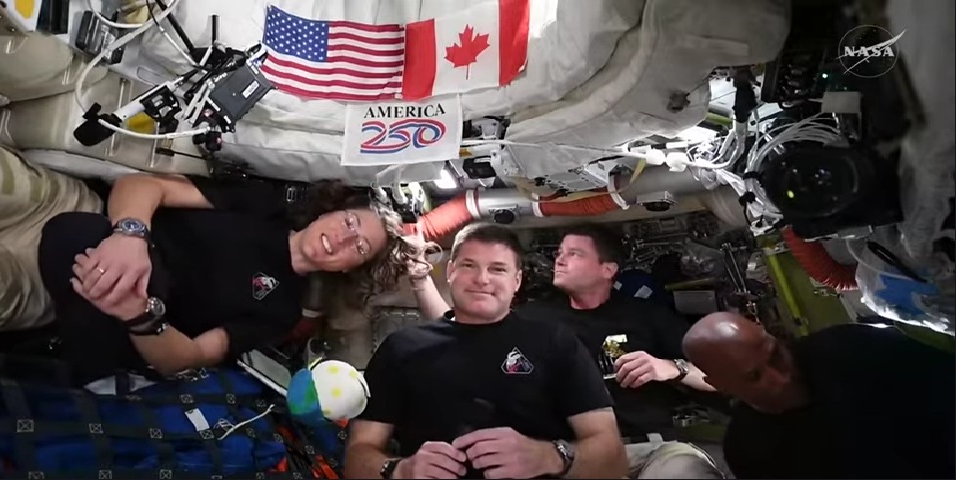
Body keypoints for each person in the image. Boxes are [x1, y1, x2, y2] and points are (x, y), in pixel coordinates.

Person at [408, 224, 722, 479]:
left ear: (607, 269)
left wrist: (673, 367)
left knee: (684, 472)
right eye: (559, 253)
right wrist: (420, 279)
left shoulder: (646, 315)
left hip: (650, 452)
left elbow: (721, 378)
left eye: (574, 254)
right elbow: (458, 330)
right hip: (569, 457)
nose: (559, 260)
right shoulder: (534, 319)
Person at [38, 173, 418, 383]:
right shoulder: (263, 204)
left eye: (360, 247)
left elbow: (186, 359)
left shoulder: (281, 311)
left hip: (118, 317)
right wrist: (131, 235)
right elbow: (142, 185)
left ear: (350, 268)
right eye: (350, 222)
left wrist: (139, 315)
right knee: (75, 231)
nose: (344, 238)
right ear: (331, 211)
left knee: (78, 243)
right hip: (106, 240)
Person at [344, 223, 627, 479]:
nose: (481, 279)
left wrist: (548, 457)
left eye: (498, 269)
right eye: (469, 266)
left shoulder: (556, 343)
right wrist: (400, 470)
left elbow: (613, 458)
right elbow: (357, 457)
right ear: (451, 271)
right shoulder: (400, 349)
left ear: (517, 281)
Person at [683, 312, 956, 479]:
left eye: (776, 355)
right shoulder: (749, 450)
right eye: (755, 376)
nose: (782, 378)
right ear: (720, 384)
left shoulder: (851, 348)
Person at [0, 139, 102, 336]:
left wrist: (141, 317)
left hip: (45, 287)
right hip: (67, 206)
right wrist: (132, 231)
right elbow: (144, 186)